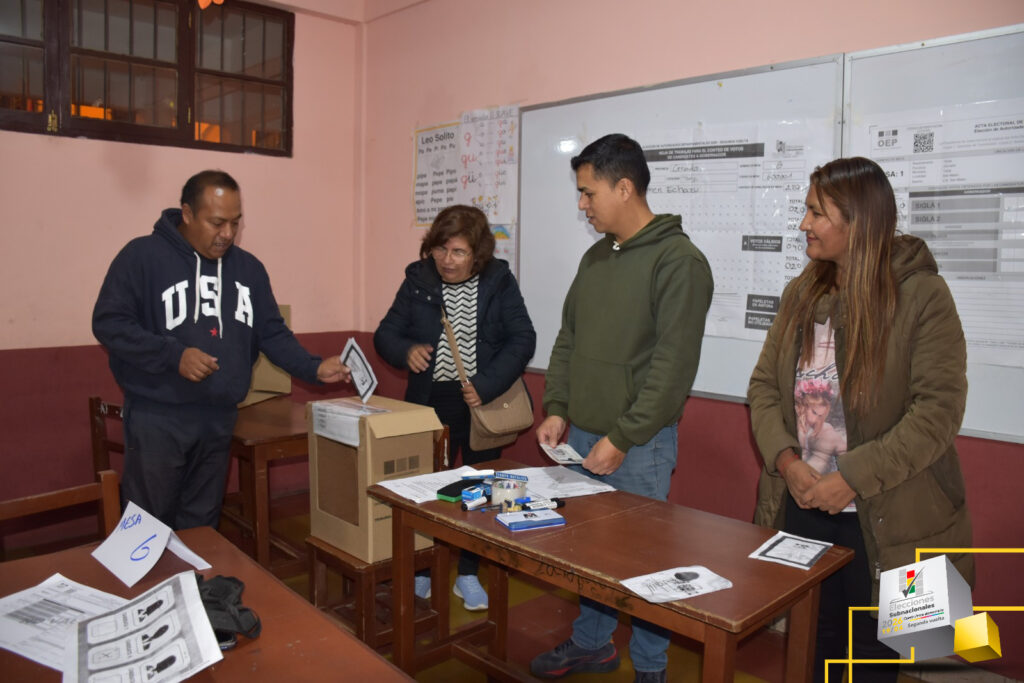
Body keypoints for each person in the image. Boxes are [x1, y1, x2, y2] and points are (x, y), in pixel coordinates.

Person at [748, 157, 974, 683]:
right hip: (804, 509)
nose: (803, 223)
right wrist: (787, 461)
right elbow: (763, 388)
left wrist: (850, 477)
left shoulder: (923, 296)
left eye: (816, 213)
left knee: (887, 657)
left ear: (859, 221)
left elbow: (939, 412)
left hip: (900, 517)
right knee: (814, 645)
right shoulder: (802, 293)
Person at [530, 134, 714, 683]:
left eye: (589, 193)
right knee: (590, 555)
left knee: (642, 562)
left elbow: (672, 371)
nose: (582, 204)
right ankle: (593, 645)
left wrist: (623, 437)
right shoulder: (596, 257)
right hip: (582, 438)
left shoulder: (679, 262)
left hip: (639, 445)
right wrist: (557, 407)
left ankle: (651, 668)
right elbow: (569, 339)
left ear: (625, 187)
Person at [93, 170, 351, 530]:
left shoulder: (249, 270)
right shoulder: (142, 257)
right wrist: (174, 355)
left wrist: (314, 367)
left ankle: (196, 570)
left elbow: (272, 333)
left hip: (218, 417)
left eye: (235, 222)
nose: (228, 233)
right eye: (217, 223)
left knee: (201, 525)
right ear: (187, 214)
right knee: (147, 527)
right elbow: (109, 323)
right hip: (158, 418)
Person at [374, 204, 536, 611]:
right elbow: (385, 334)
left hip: (482, 403)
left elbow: (522, 338)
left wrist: (486, 384)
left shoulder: (498, 281)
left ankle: (467, 573)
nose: (447, 260)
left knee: (479, 492)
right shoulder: (418, 279)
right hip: (430, 403)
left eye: (458, 252)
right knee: (430, 491)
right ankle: (425, 570)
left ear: (477, 254)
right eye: (441, 249)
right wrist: (406, 350)